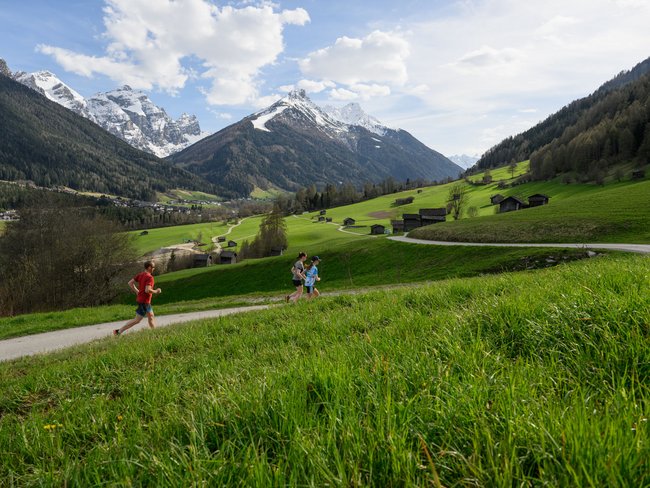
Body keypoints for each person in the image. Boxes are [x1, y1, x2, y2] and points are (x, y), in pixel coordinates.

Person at [113, 261, 161, 336]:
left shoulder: (141, 275)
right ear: (149, 267)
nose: (154, 269)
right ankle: (118, 332)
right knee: (137, 320)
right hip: (144, 301)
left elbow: (130, 283)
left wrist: (137, 292)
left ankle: (155, 333)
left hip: (144, 301)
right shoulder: (150, 277)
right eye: (153, 267)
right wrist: (156, 291)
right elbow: (147, 290)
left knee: (151, 316)